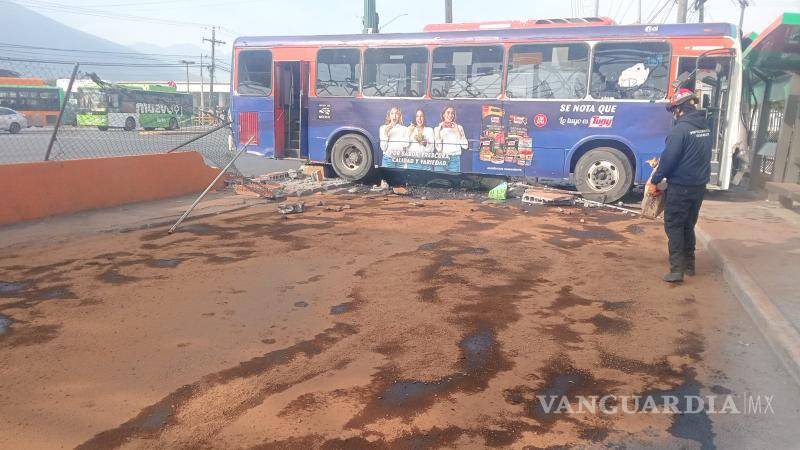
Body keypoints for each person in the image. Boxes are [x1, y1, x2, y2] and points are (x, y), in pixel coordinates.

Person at [647, 88, 712, 283]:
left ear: (680, 109)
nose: (673, 114)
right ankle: (689, 265)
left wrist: (655, 179)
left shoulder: (680, 130)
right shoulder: (705, 127)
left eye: (673, 109)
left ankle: (676, 270)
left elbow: (669, 159)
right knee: (688, 225)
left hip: (681, 186)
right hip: (699, 186)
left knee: (674, 225)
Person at [434, 106, 468, 172]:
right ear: (443, 115)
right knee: (438, 180)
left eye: (452, 113)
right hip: (441, 159)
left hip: (454, 159)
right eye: (448, 113)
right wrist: (439, 131)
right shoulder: (437, 129)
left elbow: (465, 146)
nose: (450, 115)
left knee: (453, 180)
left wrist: (457, 131)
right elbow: (438, 148)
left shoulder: (459, 128)